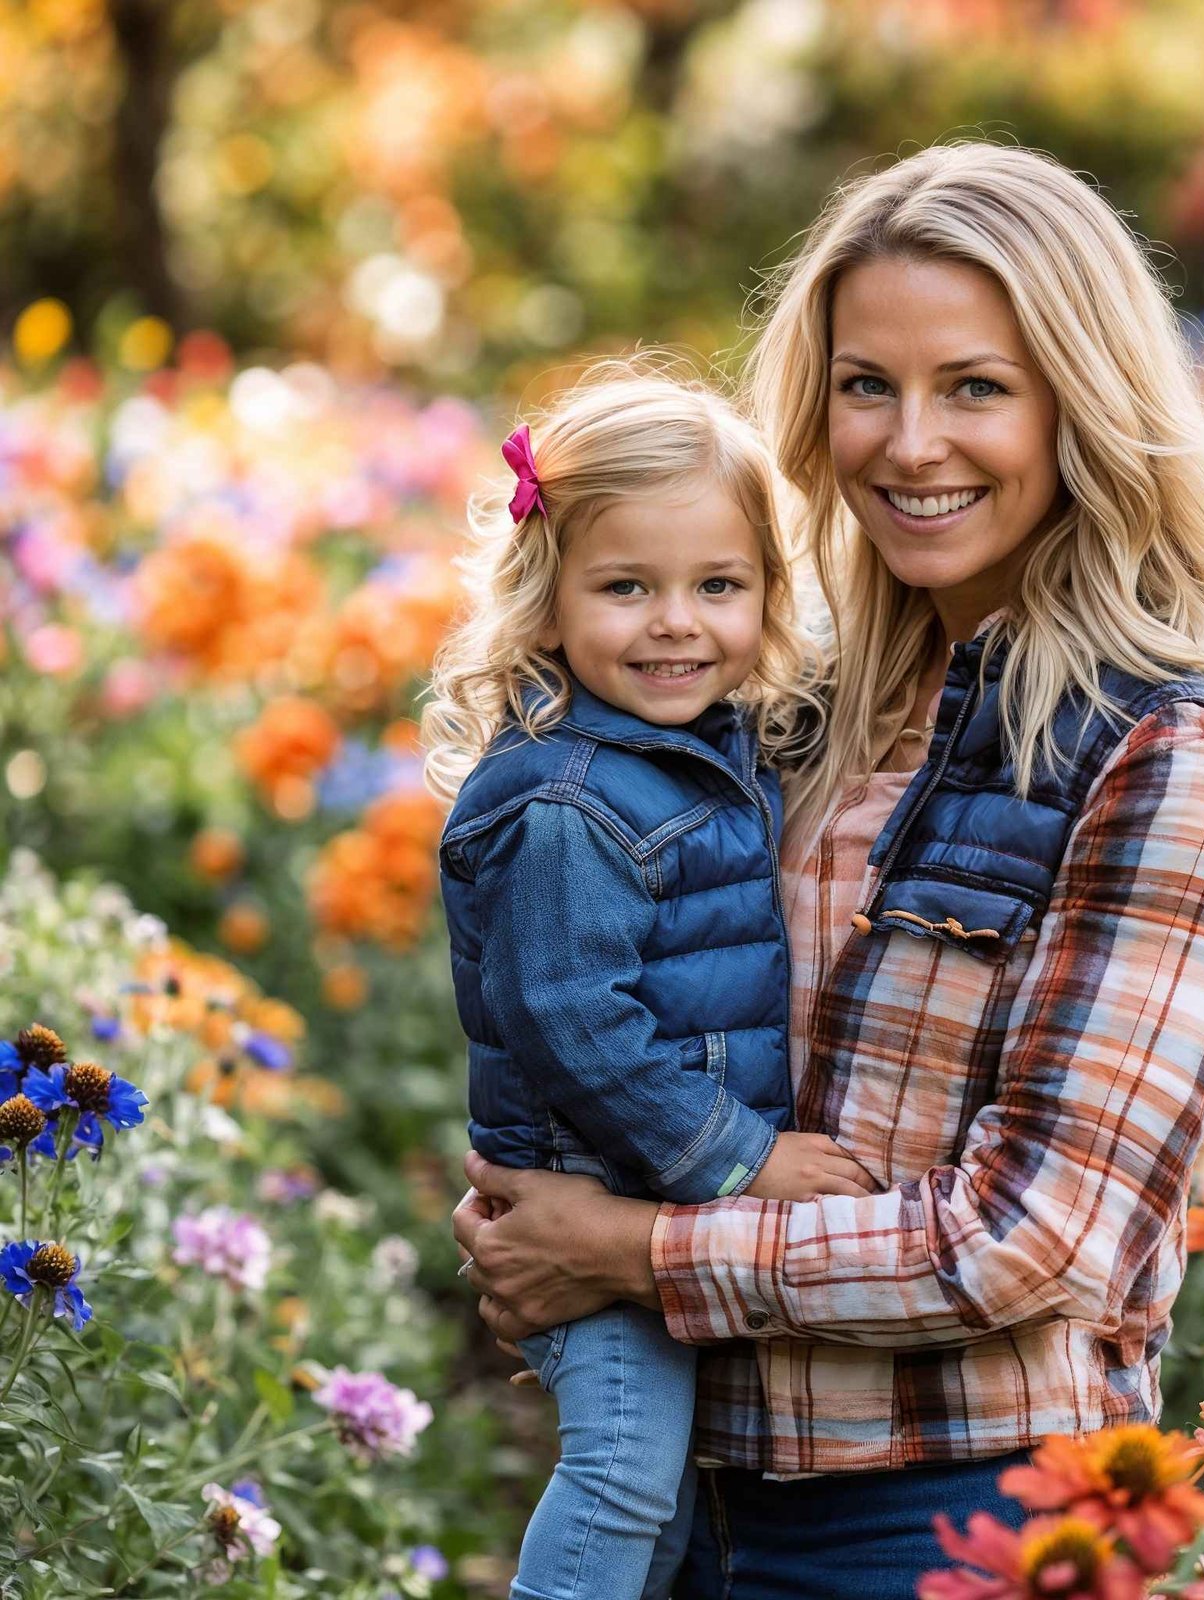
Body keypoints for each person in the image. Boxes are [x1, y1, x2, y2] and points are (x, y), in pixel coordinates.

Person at [454, 143, 1204, 1599]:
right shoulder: (782, 712)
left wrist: (637, 1250)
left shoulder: (1166, 758)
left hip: (949, 1521)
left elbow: (1028, 1244)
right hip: (699, 1496)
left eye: (976, 386)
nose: (911, 444)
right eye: (866, 386)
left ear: (1082, 403)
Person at [423, 364, 875, 1600]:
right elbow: (574, 1025)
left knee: (665, 1512)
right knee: (624, 1474)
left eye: (717, 586)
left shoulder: (696, 752)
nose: (676, 621)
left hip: (643, 1192)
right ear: (549, 597)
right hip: (590, 1195)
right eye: (626, 587)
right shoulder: (569, 800)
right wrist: (744, 1160)